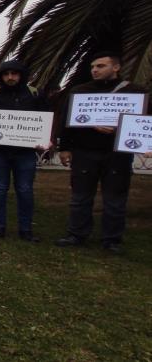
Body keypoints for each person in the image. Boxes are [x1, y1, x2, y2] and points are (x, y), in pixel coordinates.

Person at [55, 52, 148, 253]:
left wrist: (123, 129)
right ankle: (76, 234)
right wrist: (64, 148)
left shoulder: (135, 93)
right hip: (84, 152)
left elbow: (144, 123)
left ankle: (112, 239)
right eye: (93, 67)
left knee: (115, 198)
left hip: (118, 154)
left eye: (101, 66)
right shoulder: (80, 92)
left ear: (116, 68)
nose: (95, 70)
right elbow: (67, 122)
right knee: (80, 196)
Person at [0, 60, 48, 241]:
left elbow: (46, 118)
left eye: (14, 74)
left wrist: (44, 138)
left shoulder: (34, 94)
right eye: (6, 74)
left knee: (25, 190)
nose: (10, 77)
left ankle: (25, 229)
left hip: (25, 152)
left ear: (21, 75)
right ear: (1, 76)